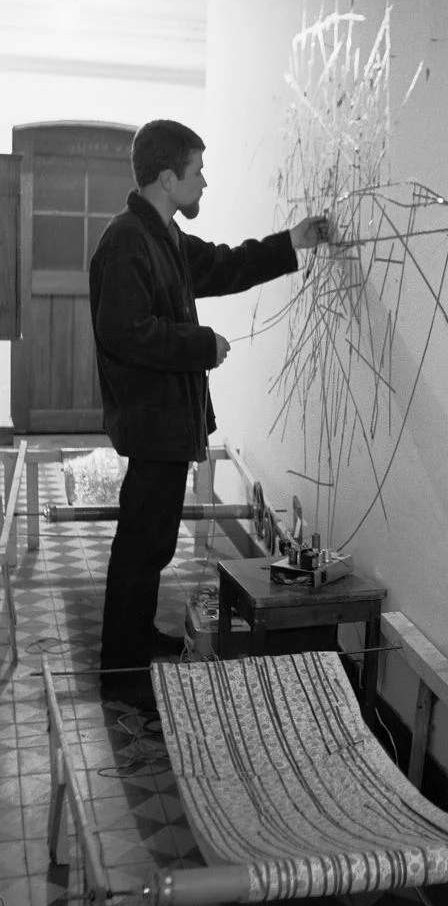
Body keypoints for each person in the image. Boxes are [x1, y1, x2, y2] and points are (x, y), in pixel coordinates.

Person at [89, 119, 327, 710]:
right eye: (197, 172)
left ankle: (135, 640)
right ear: (167, 178)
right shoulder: (127, 240)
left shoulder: (163, 235)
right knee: (142, 546)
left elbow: (221, 265)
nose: (204, 182)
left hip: (168, 421)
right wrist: (202, 346)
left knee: (151, 544)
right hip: (153, 422)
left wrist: (289, 242)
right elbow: (126, 333)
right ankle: (120, 671)